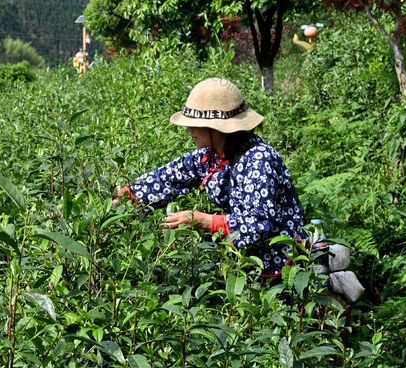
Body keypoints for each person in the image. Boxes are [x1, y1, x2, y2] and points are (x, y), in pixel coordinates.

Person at [116, 77, 306, 279]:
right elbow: (164, 179)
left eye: (196, 124)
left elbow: (259, 225)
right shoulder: (212, 156)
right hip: (249, 261)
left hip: (286, 264)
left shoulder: (259, 158)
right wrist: (125, 197)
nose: (189, 129)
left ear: (217, 127)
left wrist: (203, 220)